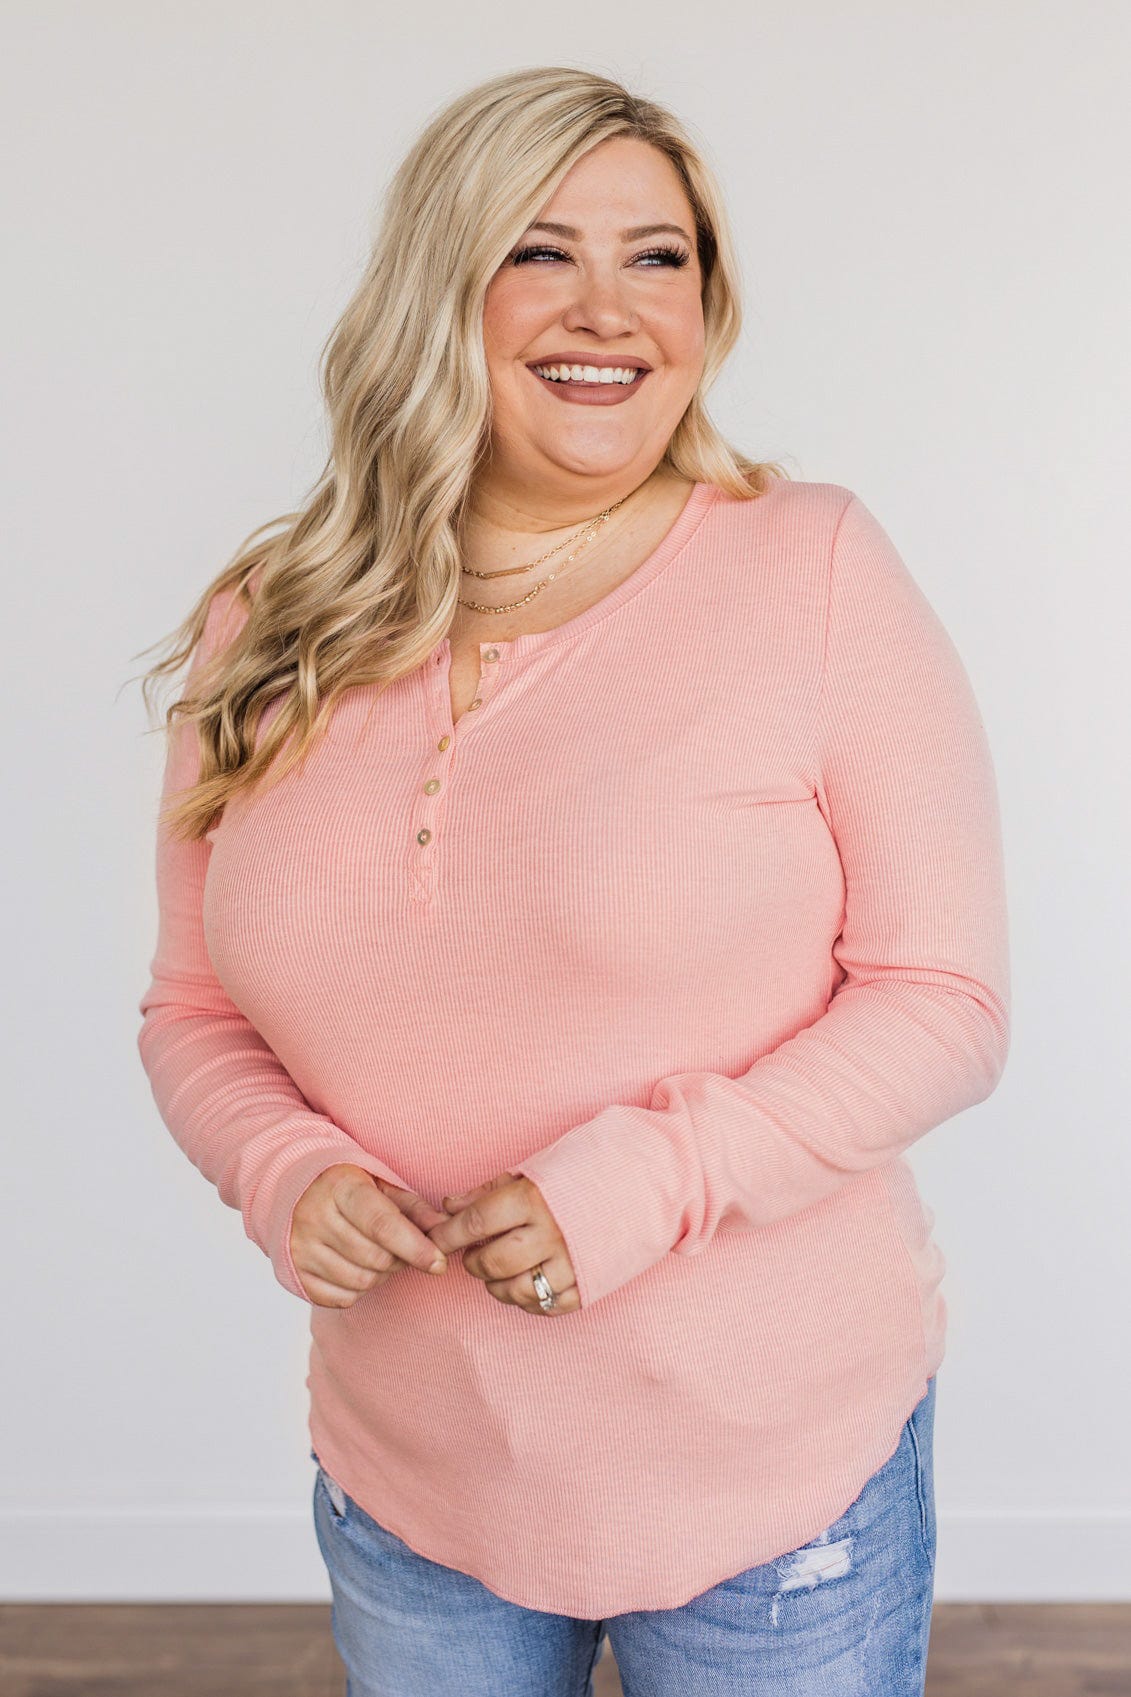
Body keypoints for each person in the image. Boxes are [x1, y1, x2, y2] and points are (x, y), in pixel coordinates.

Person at [136, 64, 1010, 1697]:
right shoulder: (271, 618)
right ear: (440, 285)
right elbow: (193, 1010)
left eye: (657, 256)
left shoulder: (811, 567)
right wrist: (278, 1166)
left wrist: (641, 1183)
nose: (609, 307)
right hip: (416, 1477)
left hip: (774, 1479)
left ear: (706, 303)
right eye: (541, 250)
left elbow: (944, 999)